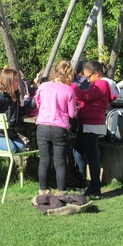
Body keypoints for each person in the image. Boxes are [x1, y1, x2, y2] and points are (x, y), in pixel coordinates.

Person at [71, 60, 116, 198]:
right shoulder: (98, 84)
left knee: (92, 156)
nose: (87, 80)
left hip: (93, 124)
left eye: (88, 77)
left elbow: (86, 96)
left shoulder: (102, 83)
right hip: (88, 123)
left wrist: (72, 86)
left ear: (96, 73)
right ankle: (82, 181)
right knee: (78, 150)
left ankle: (95, 187)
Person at [34, 61, 78, 196]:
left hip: (42, 126)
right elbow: (72, 114)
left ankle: (43, 190)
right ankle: (61, 192)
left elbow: (38, 103)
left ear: (54, 72)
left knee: (44, 160)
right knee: (60, 162)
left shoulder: (43, 86)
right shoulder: (69, 90)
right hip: (60, 128)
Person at [0, 68, 33, 156]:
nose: (18, 83)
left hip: (7, 131)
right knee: (11, 149)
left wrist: (33, 104)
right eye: (16, 81)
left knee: (21, 148)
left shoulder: (14, 95)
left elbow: (18, 112)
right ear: (9, 82)